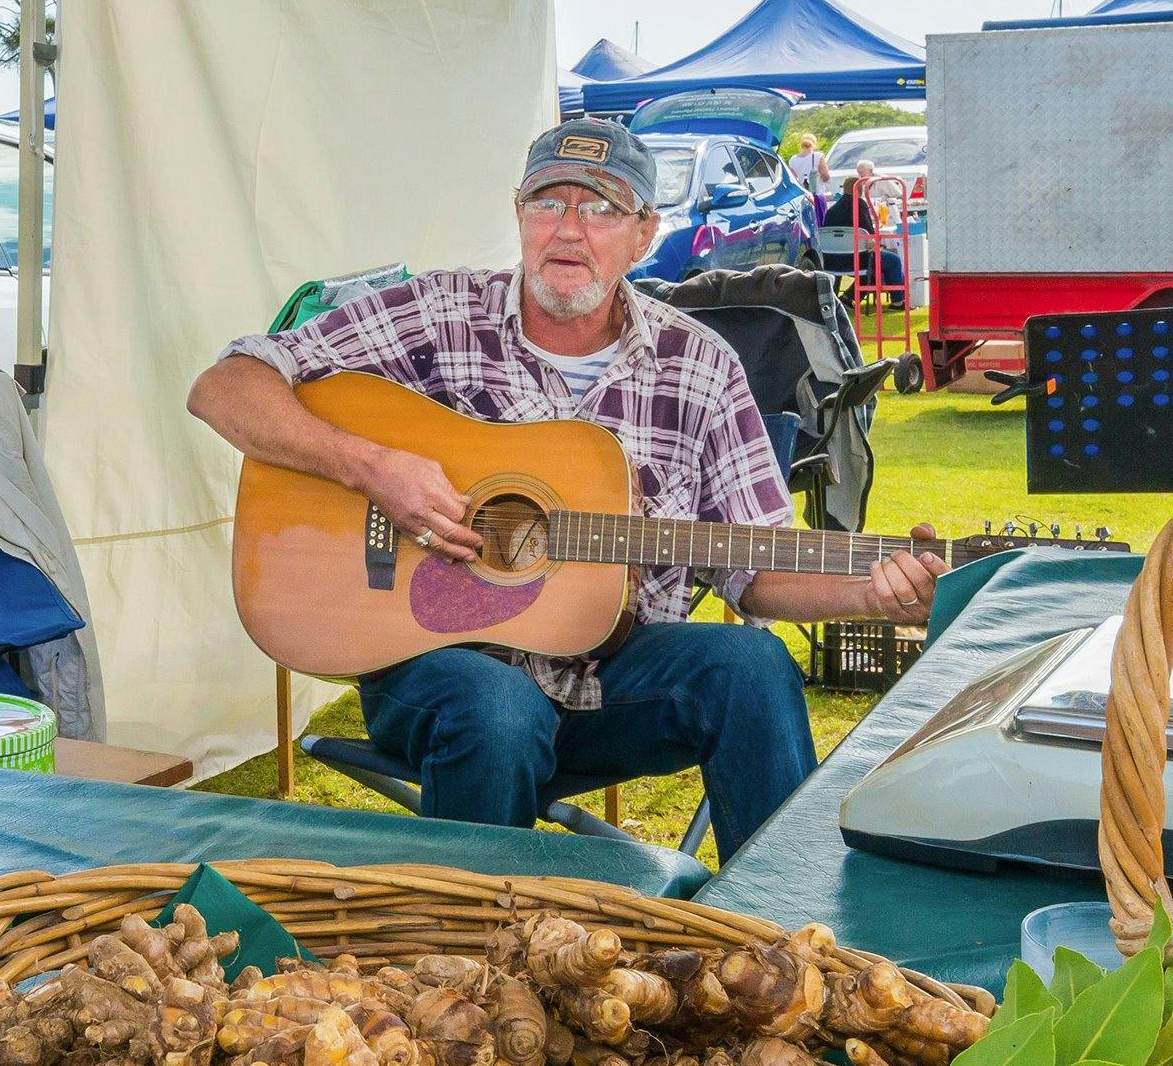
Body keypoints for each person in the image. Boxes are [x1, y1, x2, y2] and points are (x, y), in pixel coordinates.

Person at [190, 115, 936, 857]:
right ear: (519, 214)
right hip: (440, 669)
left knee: (752, 666)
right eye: (548, 202)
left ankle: (781, 937)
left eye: (601, 208)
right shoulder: (442, 313)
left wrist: (870, 593)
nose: (569, 230)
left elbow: (756, 567)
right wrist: (374, 469)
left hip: (614, 683)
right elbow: (226, 386)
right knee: (496, 707)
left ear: (643, 234)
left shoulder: (698, 366)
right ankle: (475, 962)